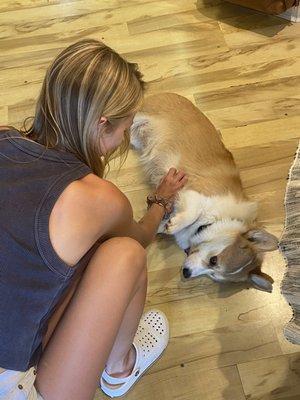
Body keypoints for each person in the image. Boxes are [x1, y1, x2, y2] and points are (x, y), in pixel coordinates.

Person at [0, 39, 188, 400]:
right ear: (102, 125)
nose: (123, 139)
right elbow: (141, 236)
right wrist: (161, 201)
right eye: (123, 129)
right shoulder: (95, 198)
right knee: (124, 254)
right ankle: (119, 368)